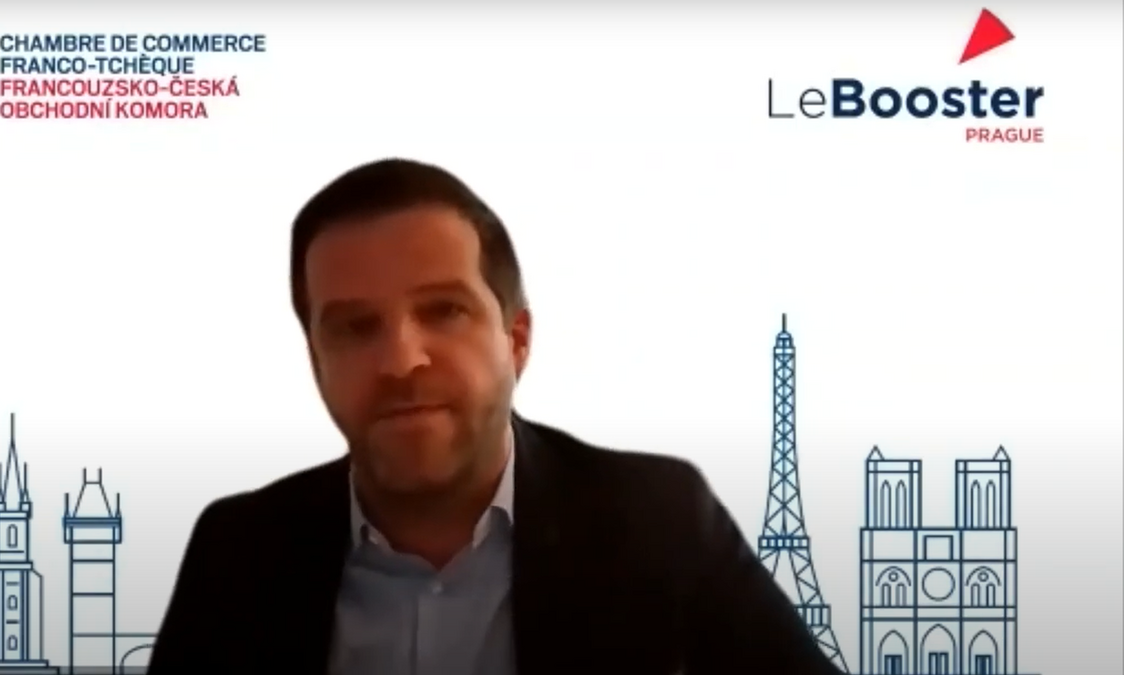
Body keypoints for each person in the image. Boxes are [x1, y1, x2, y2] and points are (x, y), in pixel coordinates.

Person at [145, 158, 844, 675]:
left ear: (517, 339)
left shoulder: (658, 518)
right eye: (355, 327)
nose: (402, 360)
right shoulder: (236, 552)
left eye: (443, 310)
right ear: (315, 360)